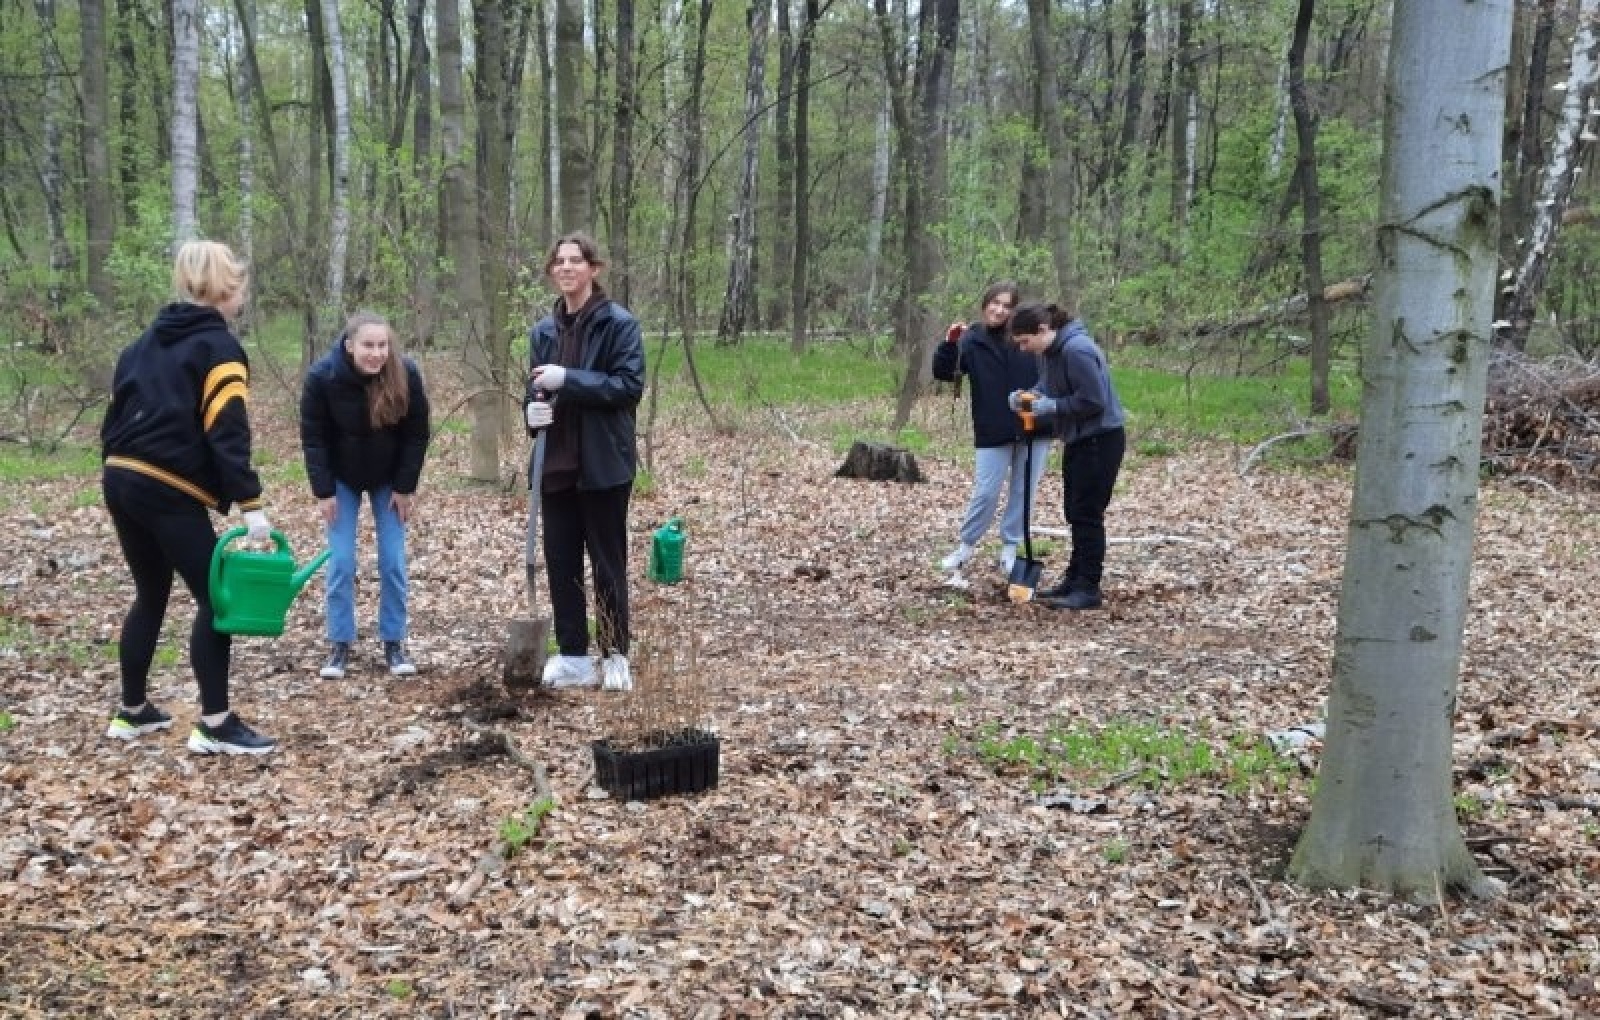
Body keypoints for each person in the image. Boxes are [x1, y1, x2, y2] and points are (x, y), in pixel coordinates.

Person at [100, 239, 277, 754]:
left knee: (151, 591)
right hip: (167, 485)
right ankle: (216, 724)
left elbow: (115, 419)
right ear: (229, 287)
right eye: (238, 287)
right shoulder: (218, 347)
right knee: (216, 598)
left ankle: (133, 711)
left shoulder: (139, 345)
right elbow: (227, 432)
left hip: (120, 476)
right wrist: (252, 507)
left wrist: (124, 477)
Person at [523, 232, 645, 691]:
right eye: (560, 261)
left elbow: (627, 387)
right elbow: (533, 390)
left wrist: (568, 379)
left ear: (594, 269)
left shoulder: (618, 325)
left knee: (607, 563)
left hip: (603, 464)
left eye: (576, 260)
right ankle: (573, 654)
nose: (567, 268)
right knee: (561, 562)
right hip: (555, 465)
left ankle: (615, 655)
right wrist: (530, 414)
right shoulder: (544, 332)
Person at [300, 312, 432, 679]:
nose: (376, 353)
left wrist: (405, 486)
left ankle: (394, 640)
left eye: (382, 345)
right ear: (349, 346)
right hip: (340, 477)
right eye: (368, 346)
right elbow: (313, 437)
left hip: (388, 477)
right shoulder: (321, 378)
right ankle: (339, 643)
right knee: (341, 562)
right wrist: (323, 491)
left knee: (392, 561)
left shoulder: (406, 374)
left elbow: (417, 433)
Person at [1007, 301, 1127, 610]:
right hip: (1077, 438)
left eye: (1025, 341)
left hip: (1101, 439)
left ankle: (1088, 588)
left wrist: (1052, 407)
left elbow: (1094, 400)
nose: (1023, 349)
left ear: (1043, 330)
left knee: (1087, 514)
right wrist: (1026, 397)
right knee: (1074, 511)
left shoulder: (1078, 350)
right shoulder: (1049, 354)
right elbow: (1048, 387)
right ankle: (1074, 580)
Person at [930, 281, 1052, 576]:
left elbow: (1054, 371)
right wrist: (949, 344)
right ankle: (965, 547)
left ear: (1015, 310)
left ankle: (1009, 550)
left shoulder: (1027, 338)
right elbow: (944, 373)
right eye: (994, 303)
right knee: (986, 492)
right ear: (985, 304)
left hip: (1035, 425)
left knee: (1023, 491)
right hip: (992, 427)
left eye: (1006, 305)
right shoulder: (971, 339)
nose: (998, 310)